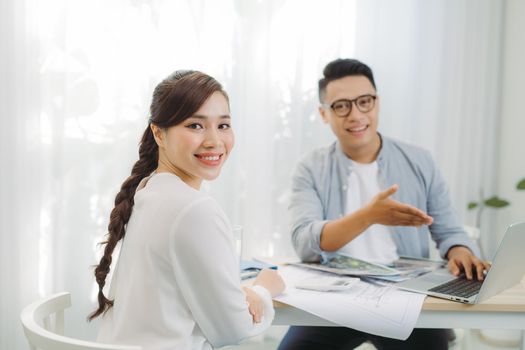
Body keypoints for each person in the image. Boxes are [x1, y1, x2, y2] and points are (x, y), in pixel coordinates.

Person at [278, 59, 490, 350]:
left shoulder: (419, 160)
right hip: (333, 301)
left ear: (377, 103)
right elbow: (304, 240)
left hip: (406, 298)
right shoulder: (310, 168)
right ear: (324, 114)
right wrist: (368, 216)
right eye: (341, 106)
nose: (356, 114)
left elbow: (449, 230)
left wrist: (460, 250)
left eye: (364, 102)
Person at [89, 70, 285, 350]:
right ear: (159, 133)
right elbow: (234, 329)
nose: (214, 141)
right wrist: (263, 289)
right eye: (195, 125)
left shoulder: (149, 190)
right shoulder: (194, 210)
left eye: (223, 125)